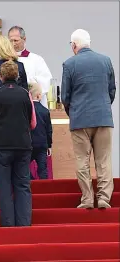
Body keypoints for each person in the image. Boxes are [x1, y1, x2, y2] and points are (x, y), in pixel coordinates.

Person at [61, 29, 116, 209]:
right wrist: (104, 107)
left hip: (80, 120)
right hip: (103, 117)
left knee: (82, 160)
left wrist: (73, 112)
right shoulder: (106, 61)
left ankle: (87, 199)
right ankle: (104, 198)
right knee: (104, 160)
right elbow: (111, 90)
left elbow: (65, 96)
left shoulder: (69, 64)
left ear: (74, 45)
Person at [0, 60, 36, 227]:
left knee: (4, 187)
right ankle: (24, 224)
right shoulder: (26, 94)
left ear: (1, 77)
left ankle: (8, 225)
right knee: (22, 185)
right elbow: (33, 123)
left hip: (0, 146)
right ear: (18, 76)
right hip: (22, 145)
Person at [8, 26, 52, 108]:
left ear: (24, 39)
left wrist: (29, 81)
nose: (13, 44)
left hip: (32, 103)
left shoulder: (37, 59)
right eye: (11, 41)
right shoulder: (5, 60)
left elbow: (46, 81)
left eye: (16, 40)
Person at [29, 83, 53, 180]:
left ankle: (32, 182)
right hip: (42, 145)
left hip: (28, 144)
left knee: (23, 167)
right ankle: (44, 189)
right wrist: (49, 145)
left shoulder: (26, 110)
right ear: (39, 95)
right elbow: (49, 130)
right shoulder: (45, 111)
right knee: (42, 169)